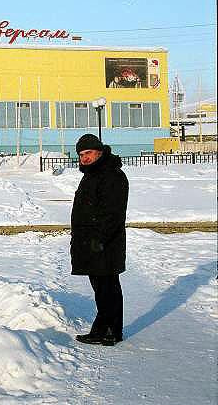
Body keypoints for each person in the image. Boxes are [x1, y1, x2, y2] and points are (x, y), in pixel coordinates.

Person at [70, 134, 129, 346]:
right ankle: (108, 329)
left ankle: (108, 331)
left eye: (88, 153)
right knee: (102, 287)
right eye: (81, 155)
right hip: (92, 243)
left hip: (104, 243)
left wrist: (100, 240)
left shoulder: (112, 176)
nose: (84, 158)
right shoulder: (93, 174)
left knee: (108, 287)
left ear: (100, 152)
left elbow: (113, 213)